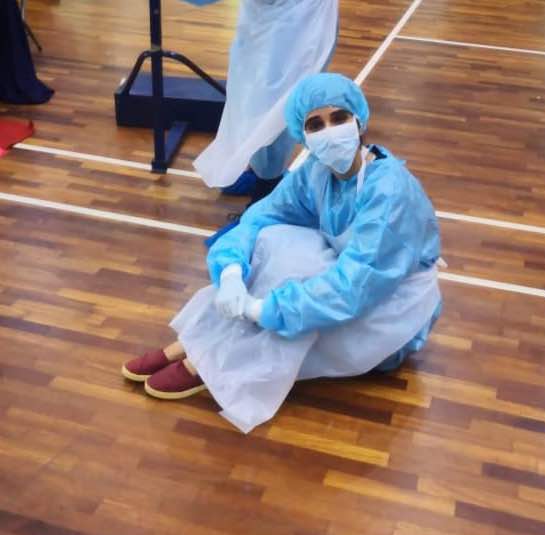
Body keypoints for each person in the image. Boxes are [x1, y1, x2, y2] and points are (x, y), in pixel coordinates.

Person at [123, 73, 443, 434]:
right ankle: (195, 344)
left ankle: (213, 361)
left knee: (293, 299)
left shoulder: (389, 190)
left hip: (392, 307)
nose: (329, 131)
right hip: (350, 277)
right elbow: (260, 218)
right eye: (315, 124)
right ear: (302, 135)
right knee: (273, 241)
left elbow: (356, 285)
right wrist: (231, 271)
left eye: (339, 118)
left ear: (359, 121)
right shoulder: (316, 173)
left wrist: (265, 310)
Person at [193, 0, 338, 207]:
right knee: (251, 98)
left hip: (296, 27)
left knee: (274, 111)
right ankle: (259, 170)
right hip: (268, 17)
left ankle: (267, 192)